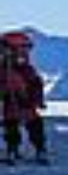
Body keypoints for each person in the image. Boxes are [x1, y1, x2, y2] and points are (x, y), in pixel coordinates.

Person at [1, 31, 49, 164]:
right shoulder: (5, 69)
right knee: (11, 125)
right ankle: (13, 148)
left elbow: (36, 84)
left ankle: (39, 148)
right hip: (11, 102)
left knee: (33, 124)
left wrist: (38, 100)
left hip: (25, 101)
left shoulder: (26, 70)